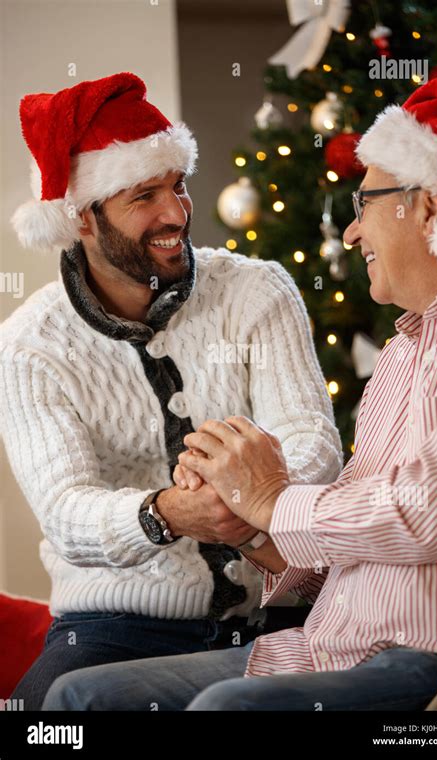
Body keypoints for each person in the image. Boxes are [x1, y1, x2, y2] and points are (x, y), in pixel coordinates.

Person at [42, 76, 437, 712]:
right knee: (80, 697)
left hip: (427, 660)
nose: (352, 235)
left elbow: (429, 517)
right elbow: (351, 525)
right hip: (324, 643)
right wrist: (246, 524)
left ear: (430, 209)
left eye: (364, 205)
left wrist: (272, 497)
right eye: (145, 194)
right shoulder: (406, 350)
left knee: (226, 709)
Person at [0, 72, 343, 710]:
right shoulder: (27, 346)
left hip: (280, 611)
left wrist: (245, 494)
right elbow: (67, 511)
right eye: (143, 195)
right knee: (47, 713)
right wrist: (165, 512)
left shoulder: (258, 292)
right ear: (80, 217)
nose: (176, 213)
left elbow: (313, 443)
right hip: (115, 628)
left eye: (177, 185)